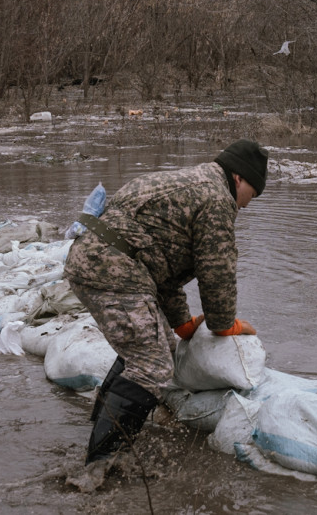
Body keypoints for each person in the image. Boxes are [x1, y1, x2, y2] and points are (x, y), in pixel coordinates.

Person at [63, 139, 268, 467]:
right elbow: (216, 269)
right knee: (153, 366)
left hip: (97, 261)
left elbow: (161, 265)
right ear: (239, 178)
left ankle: (100, 432)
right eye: (252, 195)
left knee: (149, 347)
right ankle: (101, 464)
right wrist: (223, 323)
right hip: (111, 269)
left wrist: (181, 322)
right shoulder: (217, 198)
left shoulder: (190, 182)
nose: (247, 205)